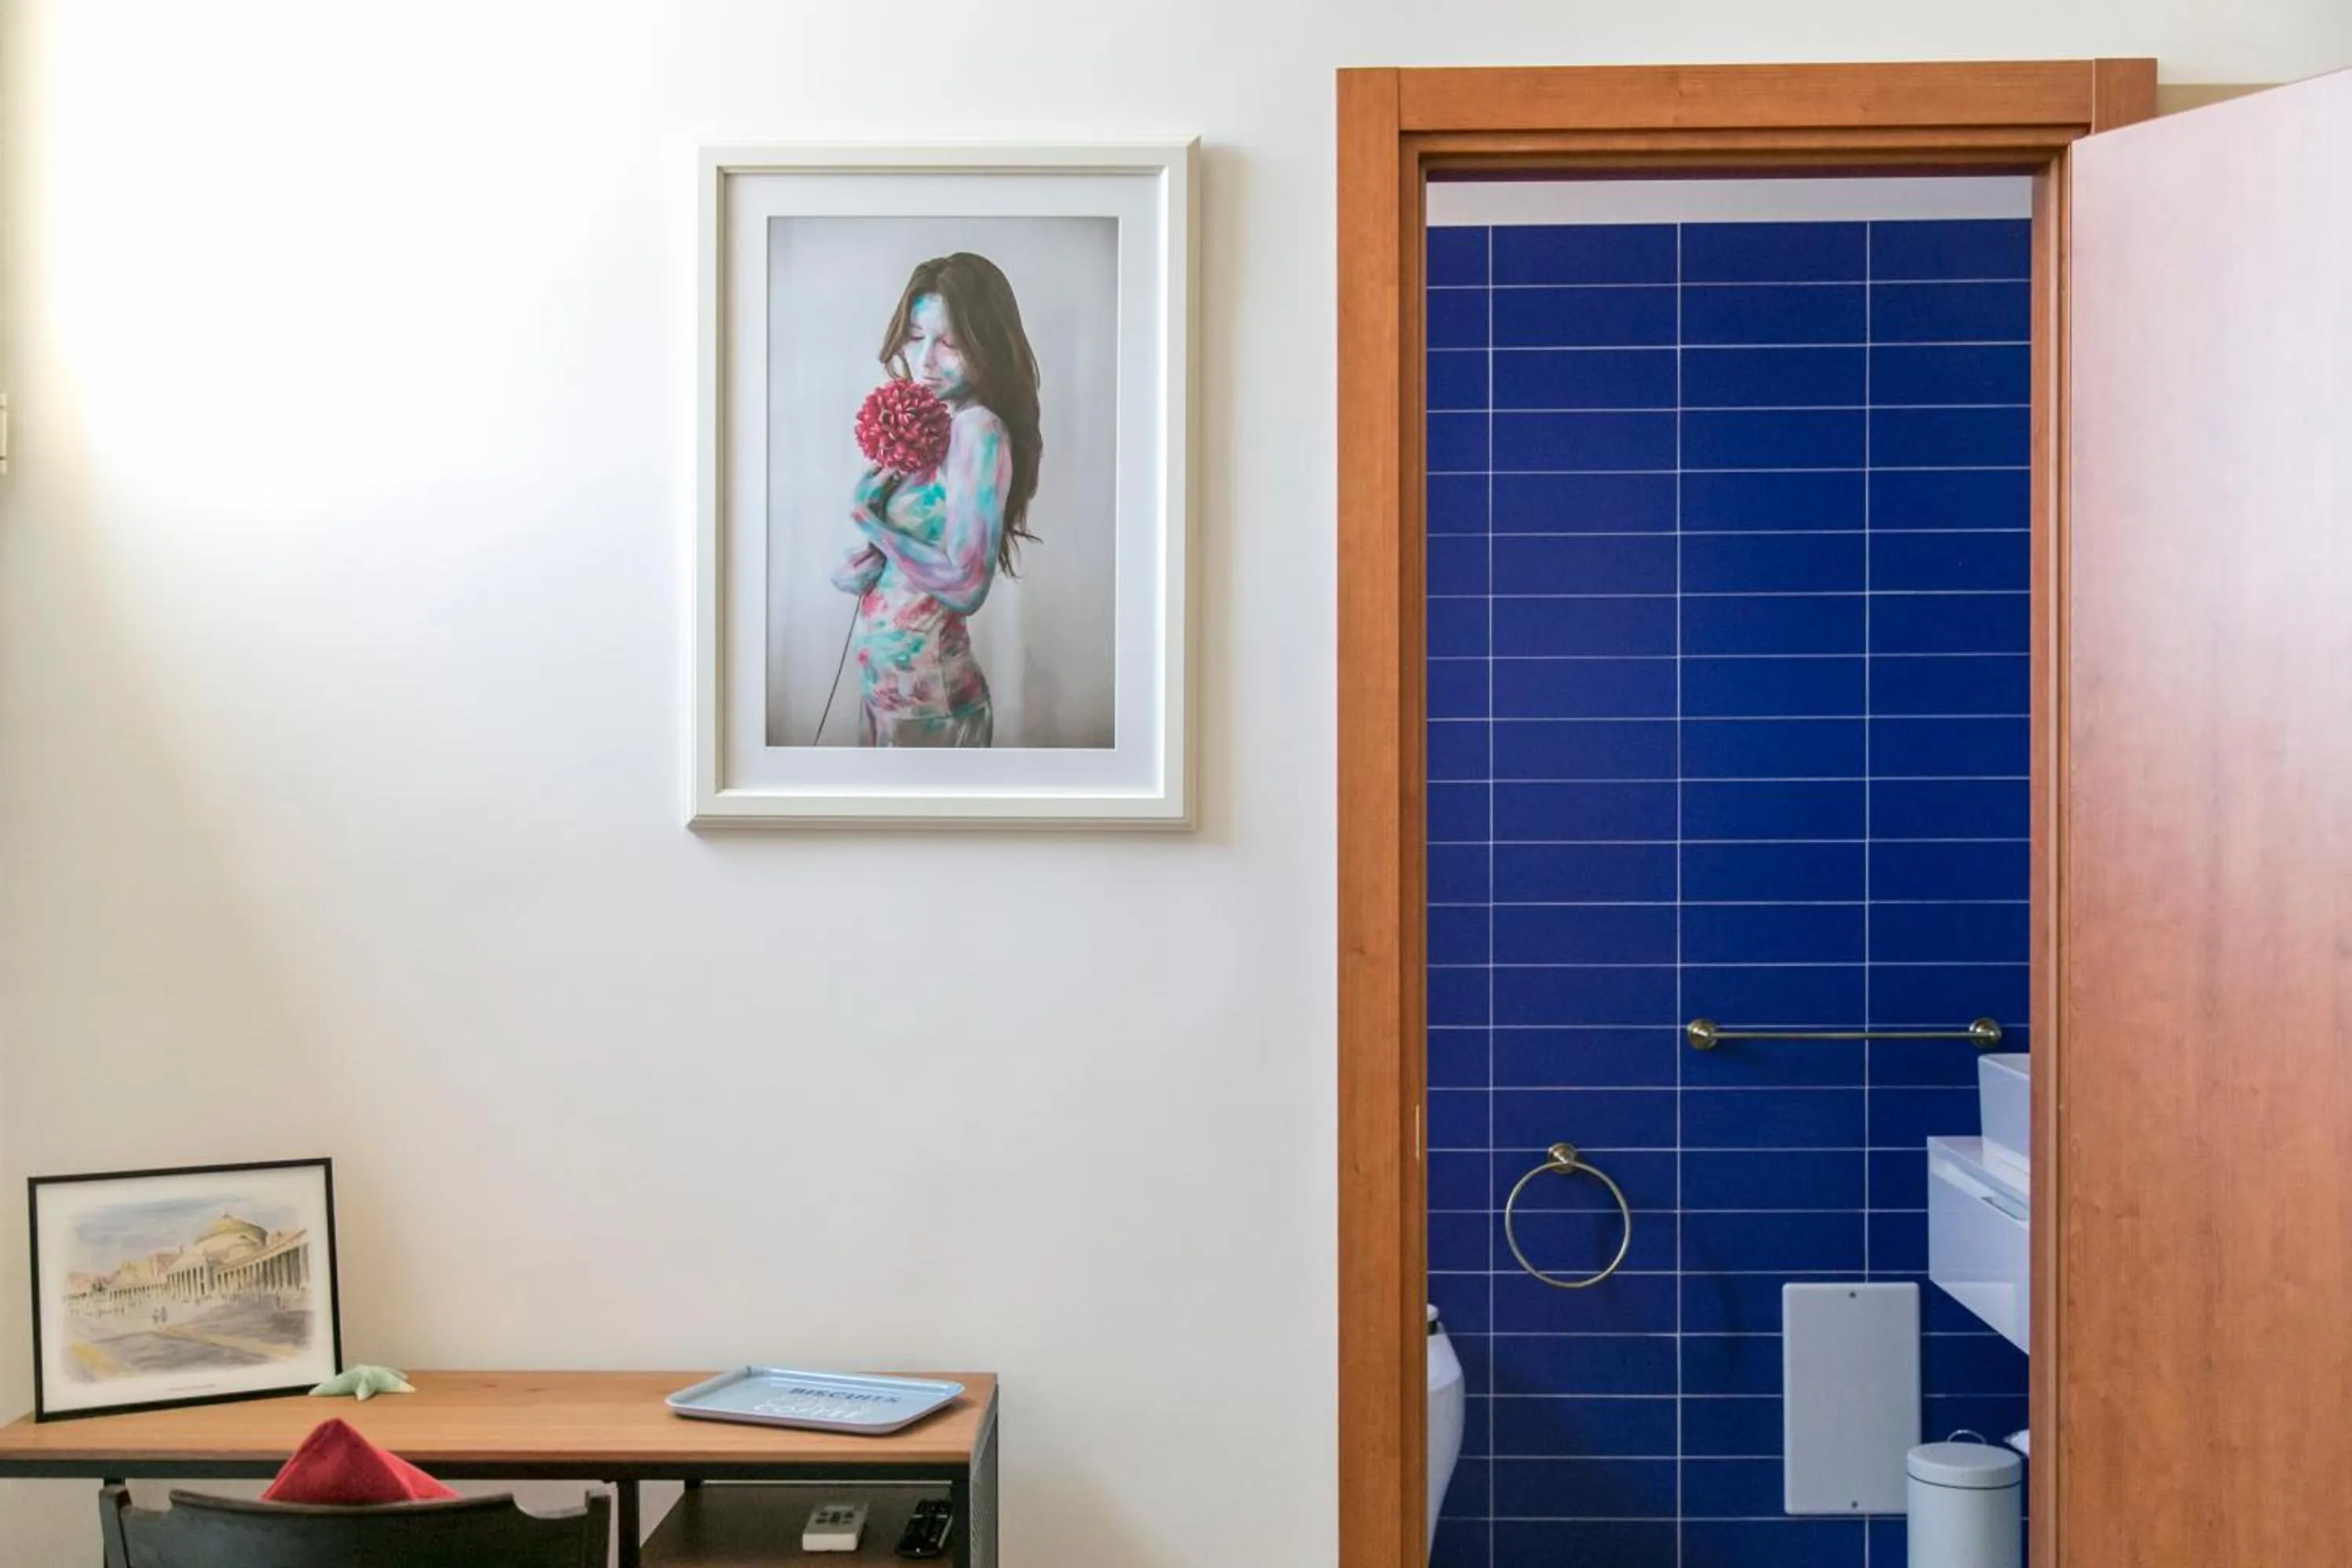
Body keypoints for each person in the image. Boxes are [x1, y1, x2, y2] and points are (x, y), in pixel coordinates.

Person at [830, 252, 1042, 747]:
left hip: (933, 707)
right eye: (916, 336)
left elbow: (967, 584)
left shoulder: (979, 429)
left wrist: (872, 524)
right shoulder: (936, 426)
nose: (925, 360)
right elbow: (908, 563)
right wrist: (860, 566)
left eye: (949, 342)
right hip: (889, 697)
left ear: (987, 345)